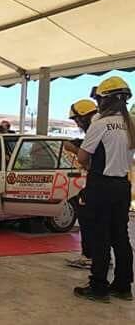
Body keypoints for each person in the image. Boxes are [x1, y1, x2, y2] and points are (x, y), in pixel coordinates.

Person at [74, 76, 134, 303]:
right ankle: (123, 286)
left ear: (105, 100)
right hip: (122, 185)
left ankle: (98, 286)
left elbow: (82, 157)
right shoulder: (131, 125)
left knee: (101, 237)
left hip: (101, 185)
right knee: (120, 236)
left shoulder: (99, 124)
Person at [64, 99, 98, 269]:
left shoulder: (96, 129)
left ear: (84, 116)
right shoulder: (110, 127)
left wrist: (76, 150)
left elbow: (89, 161)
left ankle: (91, 257)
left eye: (77, 120)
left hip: (100, 182)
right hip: (116, 182)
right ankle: (99, 258)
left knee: (89, 218)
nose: (77, 124)